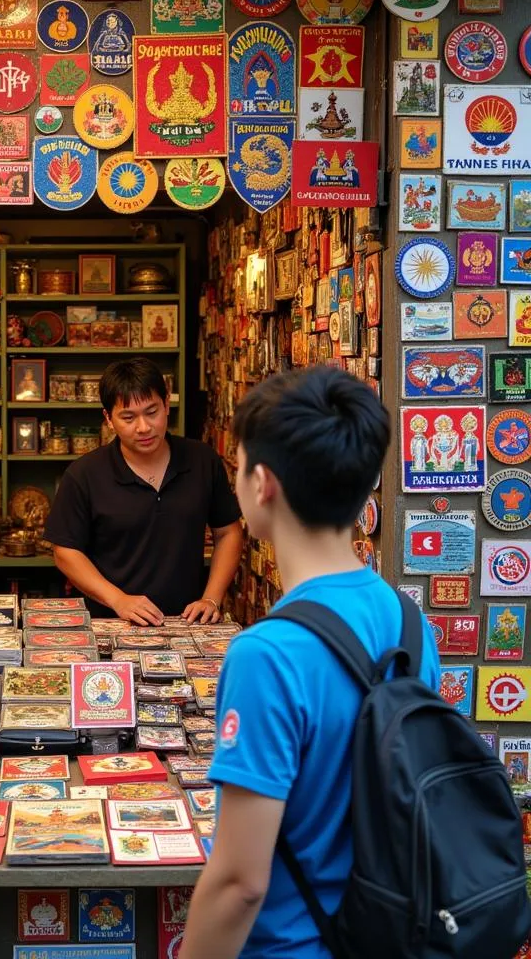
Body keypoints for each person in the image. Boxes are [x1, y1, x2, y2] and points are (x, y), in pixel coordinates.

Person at [179, 366, 440, 959]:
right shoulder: (407, 620)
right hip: (388, 933)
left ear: (262, 483)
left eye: (239, 463)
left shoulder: (264, 654)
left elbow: (240, 883)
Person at [45, 357, 243, 625]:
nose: (144, 427)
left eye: (152, 412)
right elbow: (65, 552)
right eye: (128, 417)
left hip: (188, 624)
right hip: (112, 623)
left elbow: (228, 532)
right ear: (108, 419)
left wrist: (211, 598)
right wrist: (118, 599)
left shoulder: (202, 460)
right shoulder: (84, 474)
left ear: (166, 406)